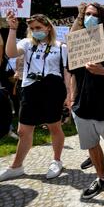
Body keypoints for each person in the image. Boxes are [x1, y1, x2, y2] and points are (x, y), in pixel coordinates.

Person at [0, 12, 71, 181]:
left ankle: (56, 160)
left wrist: (68, 94)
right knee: (23, 130)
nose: (35, 31)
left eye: (38, 27)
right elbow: (10, 53)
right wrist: (12, 28)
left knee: (54, 126)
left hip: (53, 89)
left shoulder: (60, 46)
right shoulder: (26, 43)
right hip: (30, 89)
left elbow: (66, 72)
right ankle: (16, 166)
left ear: (48, 27)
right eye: (32, 28)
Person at [69, 3, 104, 201]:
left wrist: (103, 71)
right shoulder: (78, 43)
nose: (89, 18)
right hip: (82, 107)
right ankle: (101, 178)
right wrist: (71, 99)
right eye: (86, 14)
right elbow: (73, 75)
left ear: (102, 18)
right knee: (92, 146)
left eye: (94, 14)